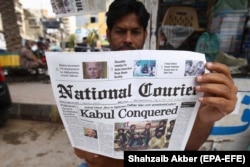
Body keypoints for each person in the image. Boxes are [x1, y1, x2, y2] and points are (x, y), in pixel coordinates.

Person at [74, 0, 238, 166]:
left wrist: (204, 120)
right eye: (120, 31)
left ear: (145, 35)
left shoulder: (171, 76)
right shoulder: (91, 78)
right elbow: (90, 155)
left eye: (135, 32)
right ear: (109, 34)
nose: (128, 39)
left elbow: (189, 148)